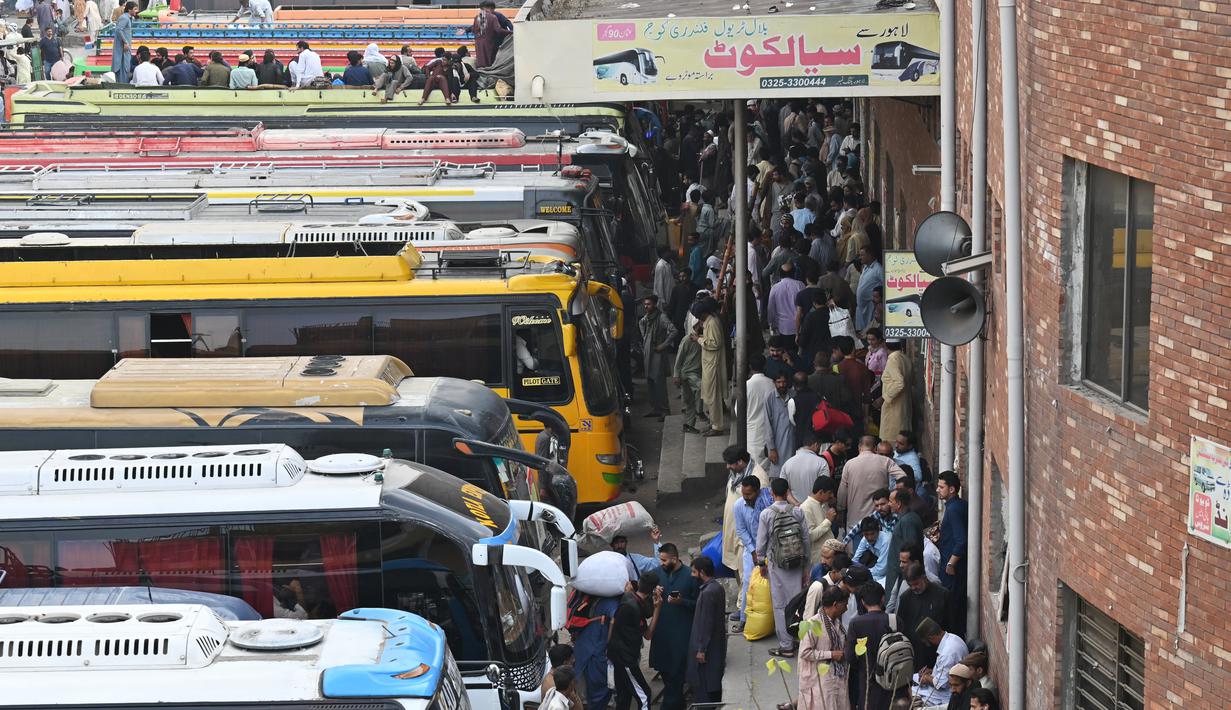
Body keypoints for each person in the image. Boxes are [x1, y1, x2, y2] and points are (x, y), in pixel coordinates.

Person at [756, 477, 810, 656]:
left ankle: (786, 645)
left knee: (780, 605)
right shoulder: (797, 512)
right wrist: (806, 566)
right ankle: (799, 639)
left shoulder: (766, 514)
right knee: (797, 602)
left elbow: (761, 543)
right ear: (788, 492)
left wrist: (761, 562)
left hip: (777, 565)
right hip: (797, 563)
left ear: (772, 493)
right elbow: (805, 540)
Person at [649, 543, 696, 710]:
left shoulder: (690, 576)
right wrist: (654, 595)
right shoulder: (656, 575)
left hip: (681, 636)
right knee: (668, 677)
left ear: (674, 559)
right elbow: (648, 604)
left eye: (664, 560)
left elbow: (697, 604)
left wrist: (681, 602)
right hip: (661, 635)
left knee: (676, 678)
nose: (661, 563)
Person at [608, 573, 662, 710]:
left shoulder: (628, 598)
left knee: (624, 697)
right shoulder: (634, 608)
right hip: (626, 659)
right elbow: (648, 635)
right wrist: (658, 608)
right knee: (645, 696)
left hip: (617, 655)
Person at [798, 584, 851, 710]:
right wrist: (831, 654)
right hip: (819, 679)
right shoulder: (812, 624)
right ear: (835, 604)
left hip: (837, 676)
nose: (846, 608)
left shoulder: (837, 624)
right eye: (844, 604)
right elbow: (804, 653)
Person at [732, 473, 772, 632]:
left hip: (771, 548)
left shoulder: (768, 501)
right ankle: (744, 619)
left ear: (757, 491)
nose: (746, 497)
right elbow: (741, 530)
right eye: (744, 494)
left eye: (749, 494)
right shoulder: (739, 505)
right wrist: (754, 551)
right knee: (748, 582)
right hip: (752, 549)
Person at [845, 582, 893, 710]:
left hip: (866, 678)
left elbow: (850, 656)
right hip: (892, 679)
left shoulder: (856, 623)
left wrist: (861, 666)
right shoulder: (894, 620)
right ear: (883, 598)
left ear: (862, 602)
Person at [838, 436, 907, 526]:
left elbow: (842, 492)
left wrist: (840, 510)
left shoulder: (849, 465)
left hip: (855, 520)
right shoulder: (886, 461)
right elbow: (903, 477)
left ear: (859, 447)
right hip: (878, 519)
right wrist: (893, 497)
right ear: (875, 448)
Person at [686, 556, 727, 704]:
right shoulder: (717, 588)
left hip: (707, 649)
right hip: (715, 645)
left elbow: (705, 623)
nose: (692, 575)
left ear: (702, 572)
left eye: (694, 572)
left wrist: (701, 649)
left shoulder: (707, 593)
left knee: (704, 687)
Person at [896, 562, 949, 671]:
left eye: (916, 584)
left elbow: (952, 623)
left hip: (938, 652)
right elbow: (901, 625)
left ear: (924, 578)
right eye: (910, 585)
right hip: (914, 653)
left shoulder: (942, 594)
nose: (914, 588)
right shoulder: (905, 598)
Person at [936, 471, 968, 633]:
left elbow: (961, 540)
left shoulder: (954, 509)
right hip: (954, 569)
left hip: (952, 571)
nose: (937, 490)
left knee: (952, 611)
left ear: (952, 489)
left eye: (941, 487)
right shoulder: (957, 506)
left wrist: (951, 563)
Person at [911, 617, 968, 707]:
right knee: (911, 677)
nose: (927, 645)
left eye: (926, 642)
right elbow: (946, 670)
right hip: (943, 687)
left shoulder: (948, 653)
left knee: (905, 694)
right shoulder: (952, 638)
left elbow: (941, 684)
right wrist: (931, 671)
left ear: (931, 637)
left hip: (943, 696)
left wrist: (926, 678)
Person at [638, 294, 677, 420]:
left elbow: (673, 331)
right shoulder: (646, 318)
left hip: (657, 355)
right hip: (648, 354)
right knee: (650, 383)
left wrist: (664, 345)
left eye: (648, 304)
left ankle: (665, 410)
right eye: (645, 304)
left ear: (654, 304)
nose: (646, 306)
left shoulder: (661, 318)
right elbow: (642, 327)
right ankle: (656, 408)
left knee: (659, 384)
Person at [883, 488, 924, 595]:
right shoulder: (906, 518)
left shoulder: (908, 521)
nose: (889, 504)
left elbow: (911, 551)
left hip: (903, 577)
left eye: (891, 501)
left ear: (899, 503)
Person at [698, 301, 728, 436]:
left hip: (713, 364)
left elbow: (715, 343)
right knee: (710, 395)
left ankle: (717, 426)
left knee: (714, 396)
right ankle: (713, 422)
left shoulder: (713, 322)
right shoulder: (709, 321)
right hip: (709, 363)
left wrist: (698, 340)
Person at [745, 353, 775, 472]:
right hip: (770, 429)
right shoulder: (772, 384)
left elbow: (738, 410)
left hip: (753, 431)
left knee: (755, 468)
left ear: (750, 367)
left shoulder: (747, 385)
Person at [879, 339, 913, 443]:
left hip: (894, 406)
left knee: (891, 440)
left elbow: (899, 383)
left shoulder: (893, 359)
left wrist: (885, 397)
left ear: (885, 346)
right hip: (904, 404)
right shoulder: (905, 358)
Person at [781, 432, 829, 506]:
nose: (819, 449)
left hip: (795, 510)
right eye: (820, 446)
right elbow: (825, 489)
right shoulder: (821, 462)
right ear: (816, 445)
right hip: (816, 509)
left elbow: (784, 490)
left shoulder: (787, 464)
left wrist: (796, 504)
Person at [673, 321, 703, 434]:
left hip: (696, 373)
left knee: (689, 400)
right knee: (700, 389)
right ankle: (698, 413)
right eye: (700, 324)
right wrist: (676, 375)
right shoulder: (687, 339)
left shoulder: (701, 339)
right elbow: (679, 358)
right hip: (688, 374)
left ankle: (689, 424)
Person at [801, 475, 838, 565]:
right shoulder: (806, 507)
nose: (832, 496)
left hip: (830, 556)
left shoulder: (823, 504)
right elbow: (811, 536)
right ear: (821, 492)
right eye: (829, 493)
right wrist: (828, 521)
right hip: (819, 560)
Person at [766, 373, 795, 477]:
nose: (782, 385)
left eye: (784, 382)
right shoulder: (770, 398)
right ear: (774, 383)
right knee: (778, 475)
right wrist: (772, 449)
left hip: (793, 442)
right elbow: (768, 425)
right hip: (778, 445)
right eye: (779, 382)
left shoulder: (794, 395)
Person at [469, 0, 510, 69]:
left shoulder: (477, 17)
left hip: (478, 43)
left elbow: (473, 30)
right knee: (490, 61)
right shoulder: (493, 17)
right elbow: (498, 30)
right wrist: (509, 32)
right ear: (490, 8)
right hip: (489, 42)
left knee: (481, 61)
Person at [852, 515, 892, 585]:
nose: (870, 537)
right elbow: (855, 558)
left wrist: (862, 572)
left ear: (878, 530)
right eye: (866, 534)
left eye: (872, 534)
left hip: (890, 569)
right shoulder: (865, 539)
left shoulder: (886, 541)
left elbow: (881, 569)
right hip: (876, 569)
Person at [768, 262, 805, 336]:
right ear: (793, 273)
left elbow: (771, 308)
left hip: (782, 327)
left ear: (780, 274)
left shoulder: (775, 288)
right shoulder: (800, 285)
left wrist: (771, 324)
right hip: (798, 327)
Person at [854, 246, 883, 332]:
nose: (860, 257)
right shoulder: (865, 267)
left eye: (862, 255)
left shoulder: (878, 268)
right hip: (861, 306)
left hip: (870, 305)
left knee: (869, 330)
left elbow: (885, 284)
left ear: (869, 255)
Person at [111, 2, 135, 83]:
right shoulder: (124, 18)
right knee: (122, 65)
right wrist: (125, 42)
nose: (136, 11)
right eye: (135, 9)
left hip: (124, 47)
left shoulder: (127, 18)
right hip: (122, 47)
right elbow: (118, 29)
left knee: (124, 65)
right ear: (129, 9)